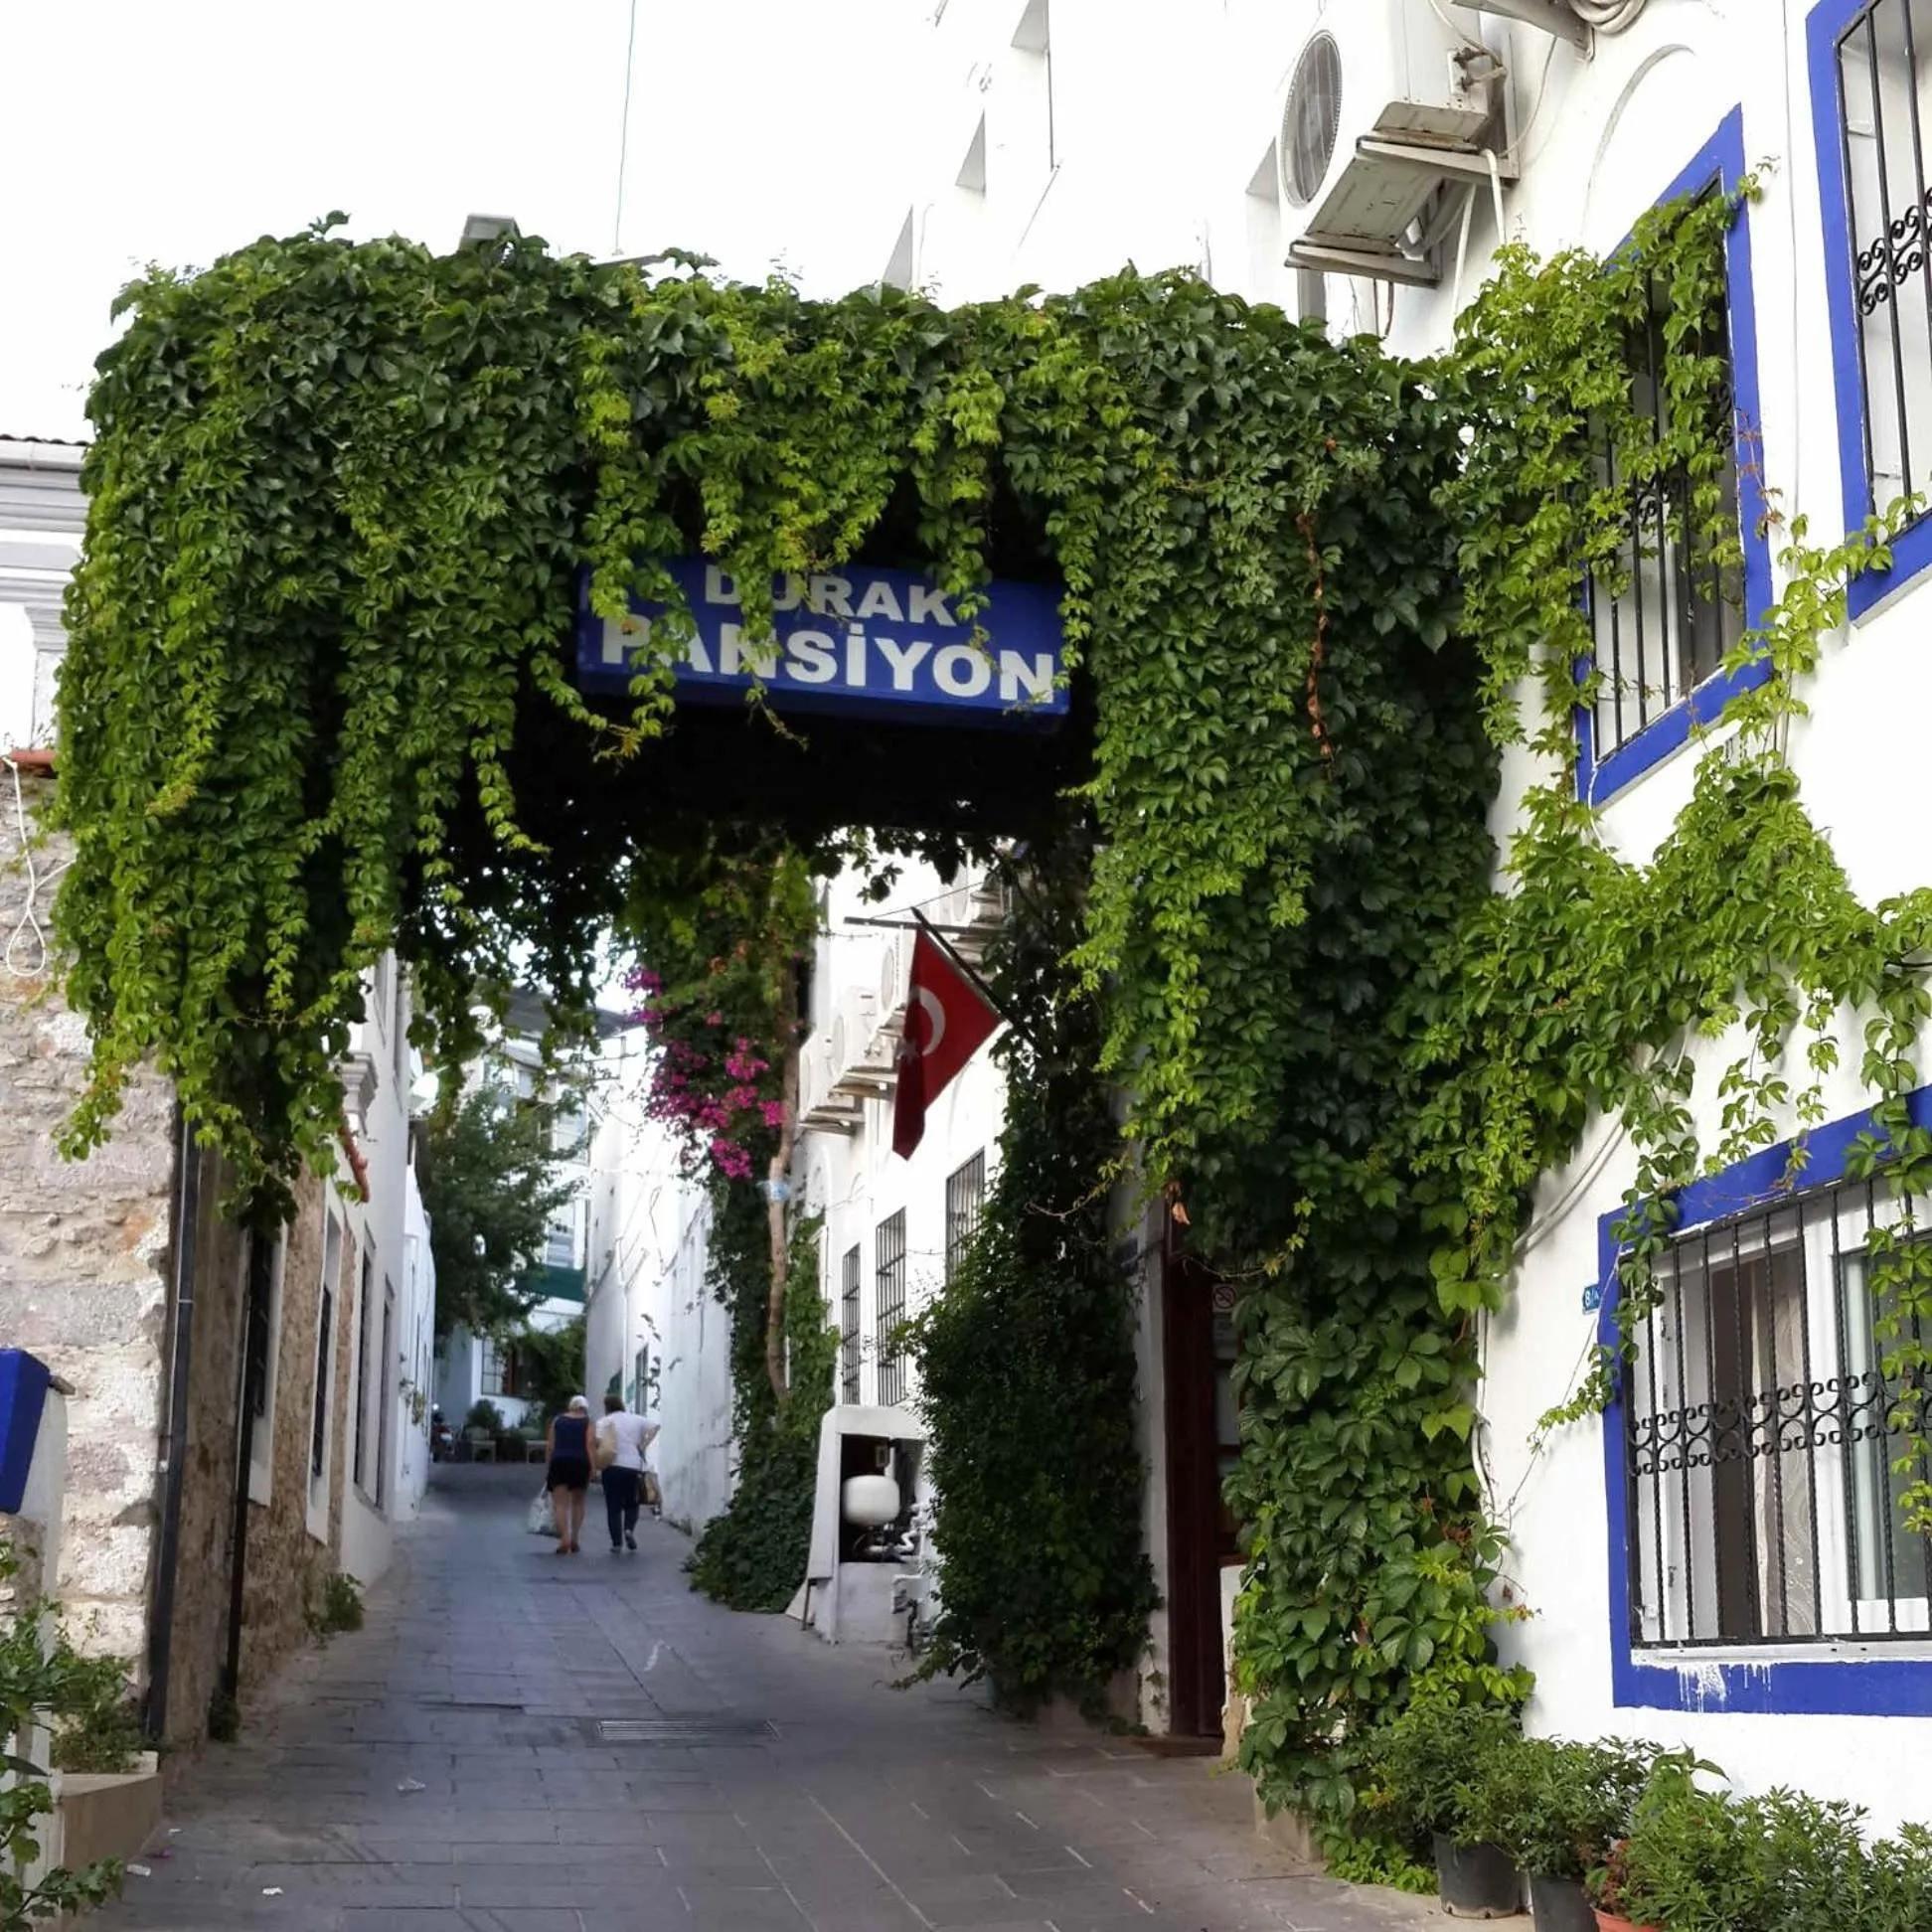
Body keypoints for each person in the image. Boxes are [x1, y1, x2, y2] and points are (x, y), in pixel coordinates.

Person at [595, 1392, 658, 1552]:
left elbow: (598, 1442)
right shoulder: (635, 1419)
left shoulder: (603, 1422)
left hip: (612, 1467)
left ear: (606, 1407)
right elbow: (655, 1426)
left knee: (613, 1506)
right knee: (632, 1502)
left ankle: (617, 1543)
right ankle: (629, 1529)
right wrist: (643, 1445)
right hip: (633, 1466)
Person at [545, 1395, 594, 1555]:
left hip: (559, 1461)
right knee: (578, 1502)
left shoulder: (557, 1421)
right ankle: (575, 1539)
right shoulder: (587, 1422)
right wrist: (593, 1468)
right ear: (585, 1408)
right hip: (580, 1462)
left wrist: (549, 1465)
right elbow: (590, 1446)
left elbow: (551, 1446)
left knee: (560, 1504)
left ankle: (564, 1538)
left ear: (571, 1406)